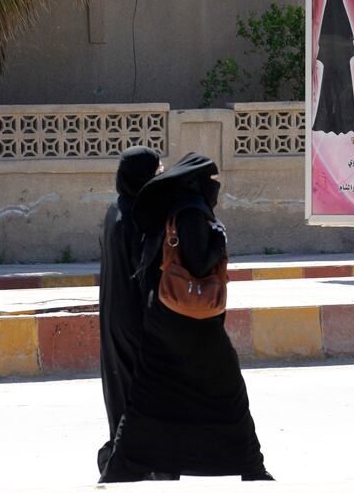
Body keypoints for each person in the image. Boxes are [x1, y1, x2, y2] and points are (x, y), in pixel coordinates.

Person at [99, 152, 273, 483]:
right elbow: (172, 266)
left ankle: (123, 465)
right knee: (212, 396)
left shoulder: (124, 212)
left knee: (138, 399)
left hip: (124, 319)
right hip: (150, 321)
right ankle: (248, 468)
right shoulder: (173, 214)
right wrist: (218, 240)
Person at [97, 146, 161, 472]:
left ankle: (121, 455)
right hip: (135, 317)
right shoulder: (138, 216)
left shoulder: (114, 211)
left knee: (121, 388)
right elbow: (145, 272)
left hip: (111, 314)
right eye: (157, 172)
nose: (160, 177)